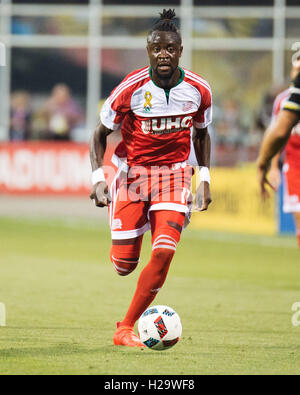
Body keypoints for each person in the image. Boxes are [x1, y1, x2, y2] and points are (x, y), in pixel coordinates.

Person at [90, 9, 212, 347]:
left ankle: (125, 328)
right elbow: (99, 135)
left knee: (163, 252)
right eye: (157, 48)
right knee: (124, 265)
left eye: (170, 48)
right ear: (148, 50)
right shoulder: (129, 89)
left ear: (180, 51)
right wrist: (98, 177)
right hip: (133, 177)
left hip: (174, 176)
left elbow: (201, 134)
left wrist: (204, 177)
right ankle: (131, 226)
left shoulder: (199, 90)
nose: (164, 54)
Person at [257, 62, 300, 247]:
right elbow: (277, 133)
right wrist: (274, 167)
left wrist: (262, 164)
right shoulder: (283, 100)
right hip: (294, 165)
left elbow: (279, 132)